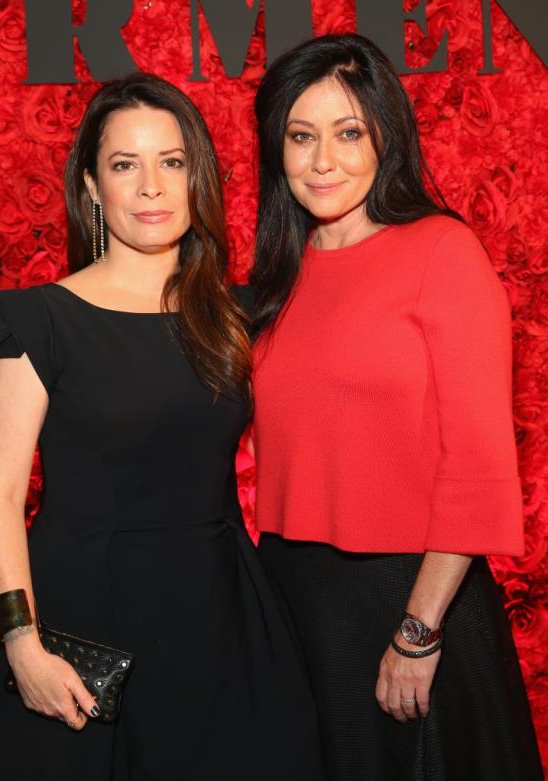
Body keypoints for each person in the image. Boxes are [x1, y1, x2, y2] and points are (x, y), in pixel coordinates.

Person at [0, 72, 325, 781]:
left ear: (196, 177)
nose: (152, 186)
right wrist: (21, 643)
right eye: (126, 165)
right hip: (82, 618)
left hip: (220, 616)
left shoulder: (238, 316)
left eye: (171, 162)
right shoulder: (36, 321)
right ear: (92, 187)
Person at [249, 34, 543, 781]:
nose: (324, 160)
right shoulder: (278, 277)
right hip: (294, 599)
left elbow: (477, 463)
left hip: (411, 599)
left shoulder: (442, 252)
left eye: (348, 133)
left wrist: (418, 631)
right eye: (301, 136)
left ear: (386, 137)